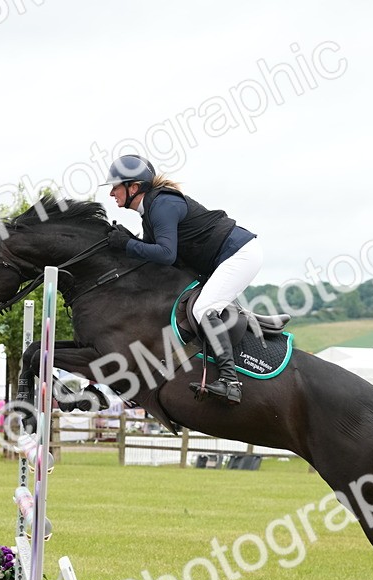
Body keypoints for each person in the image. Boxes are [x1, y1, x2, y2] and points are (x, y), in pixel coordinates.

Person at [103, 154, 262, 404]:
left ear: (133, 187)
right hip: (222, 259)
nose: (112, 193)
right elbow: (151, 256)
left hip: (239, 255)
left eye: (115, 186)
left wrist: (128, 244)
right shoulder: (150, 212)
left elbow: (166, 254)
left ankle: (231, 382)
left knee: (203, 308)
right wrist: (124, 244)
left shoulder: (163, 204)